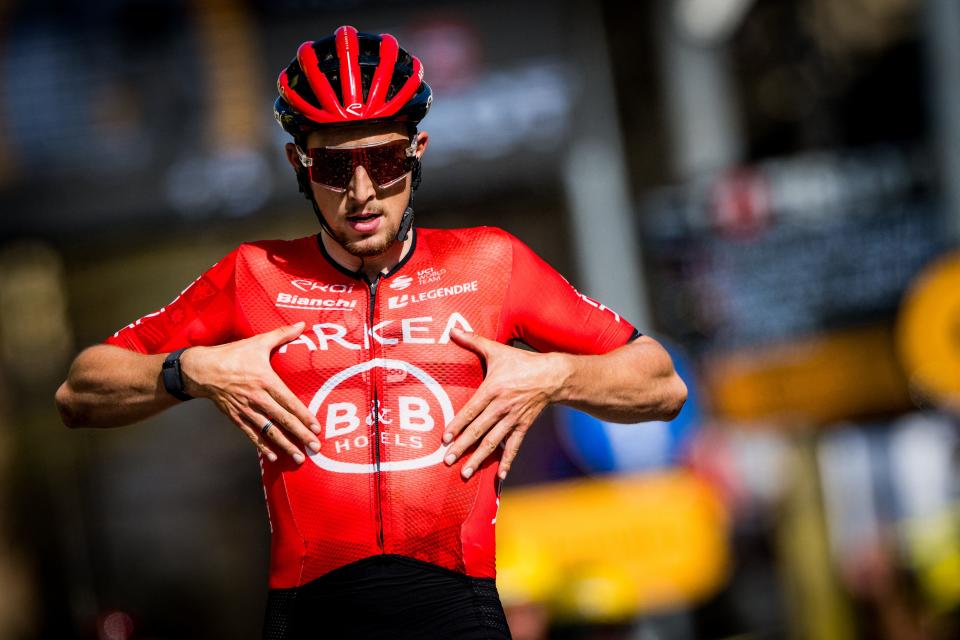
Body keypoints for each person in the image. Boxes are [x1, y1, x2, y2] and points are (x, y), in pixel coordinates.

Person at [55, 25, 687, 639]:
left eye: (382, 159)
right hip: (311, 610)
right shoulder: (252, 273)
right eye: (334, 167)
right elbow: (79, 393)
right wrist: (188, 371)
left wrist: (557, 375)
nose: (362, 194)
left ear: (418, 153)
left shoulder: (492, 263)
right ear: (297, 165)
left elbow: (662, 385)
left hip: (457, 607)